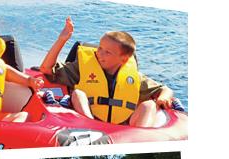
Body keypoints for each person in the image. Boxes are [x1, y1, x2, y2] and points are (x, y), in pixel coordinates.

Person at [39, 17, 175, 127]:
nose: (100, 54)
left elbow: (166, 89)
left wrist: (163, 97)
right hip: (90, 121)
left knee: (149, 105)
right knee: (78, 94)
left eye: (107, 52)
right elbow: (46, 69)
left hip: (126, 128)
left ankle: (141, 136)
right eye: (100, 48)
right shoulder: (82, 67)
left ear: (124, 59)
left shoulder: (134, 78)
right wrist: (62, 40)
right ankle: (90, 125)